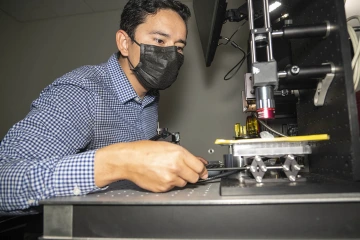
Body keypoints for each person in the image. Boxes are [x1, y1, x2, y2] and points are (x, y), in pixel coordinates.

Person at [0, 0, 208, 212]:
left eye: (179, 47)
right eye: (159, 40)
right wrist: (120, 162)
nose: (171, 55)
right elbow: (4, 182)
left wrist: (171, 166)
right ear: (125, 43)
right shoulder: (79, 92)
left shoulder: (150, 97)